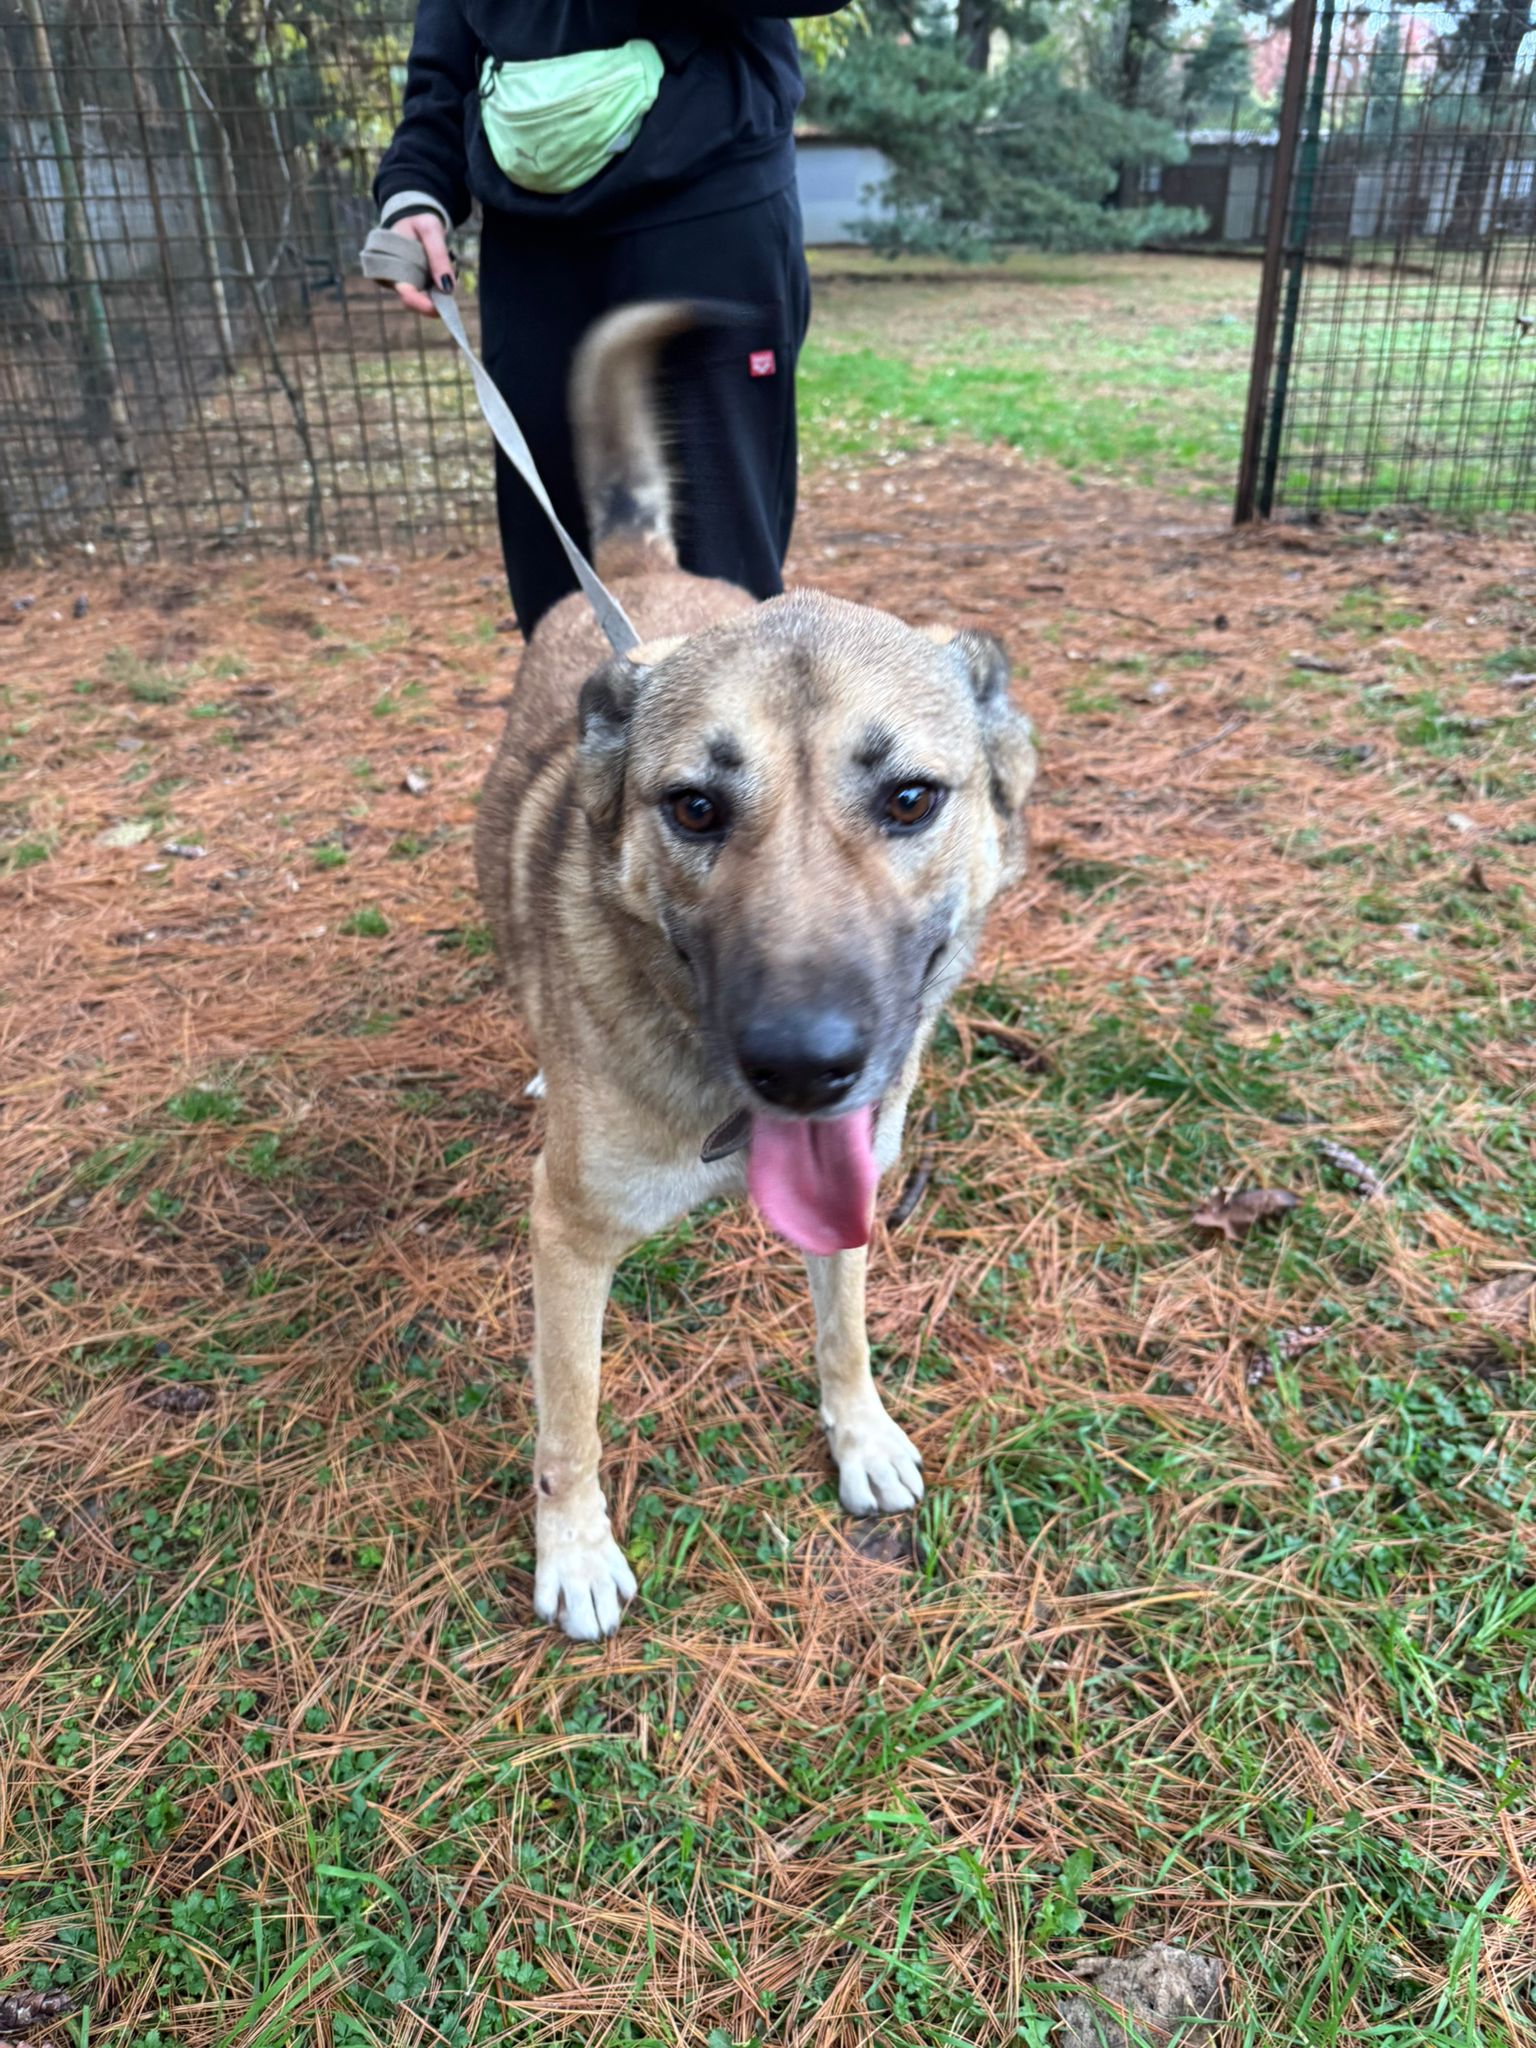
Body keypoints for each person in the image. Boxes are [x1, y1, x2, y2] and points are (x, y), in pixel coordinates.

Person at [374, 2, 847, 638]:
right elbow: (448, 55)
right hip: (530, 241)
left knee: (717, 585)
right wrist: (417, 184)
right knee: (561, 602)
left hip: (707, 200)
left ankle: (730, 704)